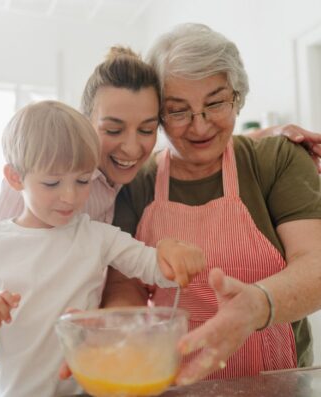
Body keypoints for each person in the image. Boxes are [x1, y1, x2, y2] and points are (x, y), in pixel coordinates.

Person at [0, 45, 321, 397]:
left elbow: (146, 257)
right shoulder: (39, 182)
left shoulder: (136, 180)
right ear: (84, 122)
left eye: (146, 129)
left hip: (60, 361)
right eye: (112, 129)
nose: (132, 147)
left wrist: (268, 135)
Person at [104, 23, 321, 386]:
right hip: (173, 381)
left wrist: (257, 305)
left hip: (279, 380)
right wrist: (125, 337)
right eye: (178, 111)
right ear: (157, 114)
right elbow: (124, 285)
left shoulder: (277, 159)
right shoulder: (136, 184)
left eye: (215, 103)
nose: (200, 126)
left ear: (237, 96)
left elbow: (315, 264)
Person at [0, 100, 206, 397]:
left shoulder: (97, 237)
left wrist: (174, 258)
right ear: (15, 177)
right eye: (52, 183)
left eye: (82, 180)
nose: (69, 196)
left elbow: (153, 267)